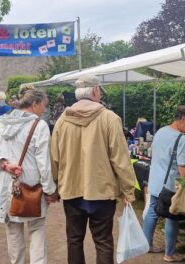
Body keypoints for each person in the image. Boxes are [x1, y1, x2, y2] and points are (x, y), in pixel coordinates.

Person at [50, 74, 135, 264]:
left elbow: (54, 157)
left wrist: (55, 186)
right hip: (102, 192)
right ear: (95, 90)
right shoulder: (110, 119)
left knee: (74, 240)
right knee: (103, 241)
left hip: (71, 190)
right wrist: (128, 189)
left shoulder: (62, 121)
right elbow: (121, 160)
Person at [0, 89, 58, 264]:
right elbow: (44, 164)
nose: (44, 110)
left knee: (12, 229)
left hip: (7, 187)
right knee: (37, 228)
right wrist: (49, 191)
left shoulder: (2, 123)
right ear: (35, 104)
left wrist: (4, 164)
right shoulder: (39, 126)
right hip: (32, 189)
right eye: (43, 106)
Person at [143, 105, 185, 262]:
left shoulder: (161, 131)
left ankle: (147, 245)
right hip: (170, 185)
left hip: (155, 181)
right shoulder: (181, 139)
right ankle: (170, 254)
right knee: (172, 216)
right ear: (183, 118)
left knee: (152, 212)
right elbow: (183, 168)